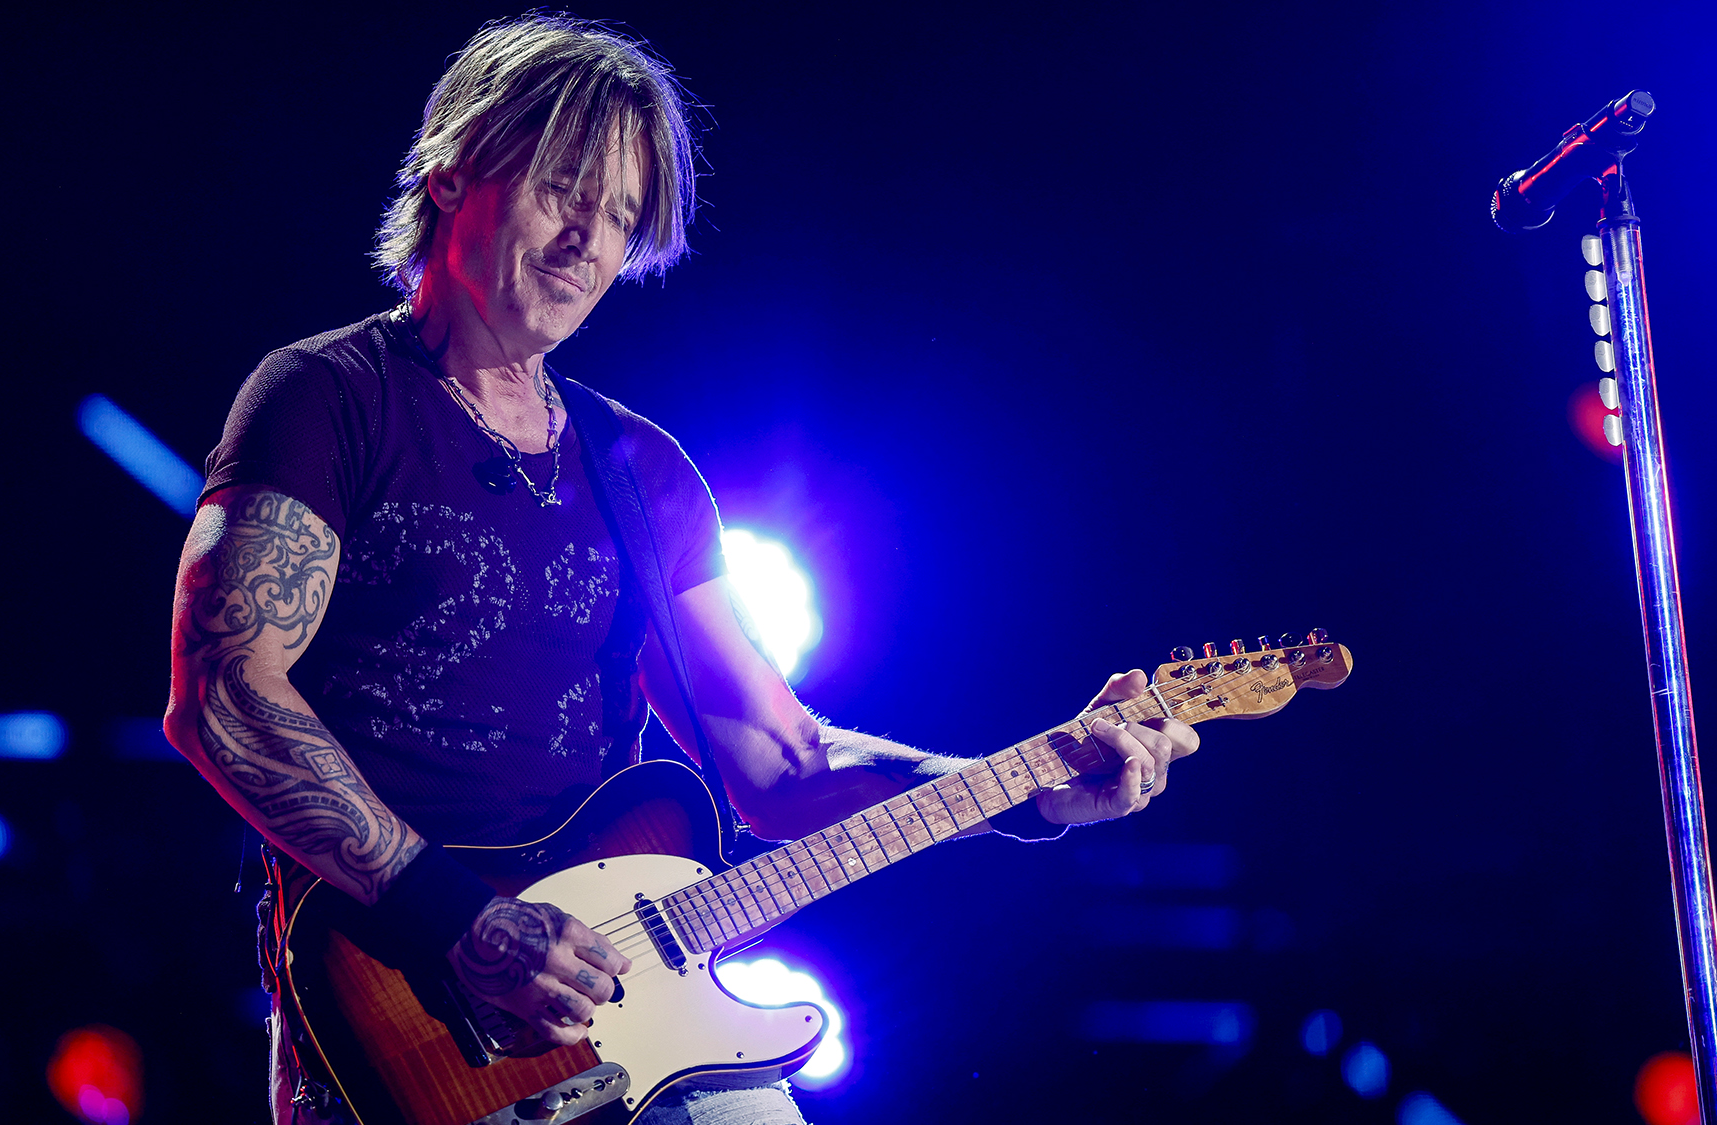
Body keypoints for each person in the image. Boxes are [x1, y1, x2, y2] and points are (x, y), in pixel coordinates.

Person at [163, 14, 1198, 1125]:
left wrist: (1021, 784)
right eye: (565, 190)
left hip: (635, 1002)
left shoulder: (639, 469)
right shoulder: (325, 397)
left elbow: (781, 761)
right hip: (401, 1009)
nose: (587, 245)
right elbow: (223, 697)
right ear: (455, 168)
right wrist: (461, 920)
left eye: (620, 219)